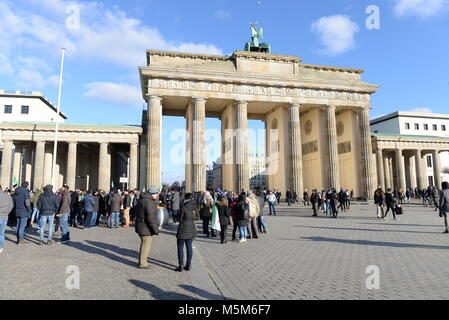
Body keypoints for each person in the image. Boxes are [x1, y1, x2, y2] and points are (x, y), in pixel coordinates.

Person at [135, 186, 160, 269]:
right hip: (146, 227)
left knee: (143, 243)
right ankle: (143, 263)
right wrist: (155, 229)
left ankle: (142, 261)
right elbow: (151, 217)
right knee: (146, 246)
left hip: (140, 225)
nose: (157, 195)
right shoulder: (149, 202)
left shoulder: (141, 199)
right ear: (153, 194)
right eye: (156, 193)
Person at [175, 193, 197, 271]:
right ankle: (188, 265)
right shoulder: (194, 206)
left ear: (185, 198)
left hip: (183, 228)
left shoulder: (183, 207)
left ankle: (181, 265)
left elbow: (180, 219)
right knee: (189, 247)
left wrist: (177, 217)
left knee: (180, 247)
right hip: (191, 228)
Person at [0, 189, 14, 255]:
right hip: (5, 216)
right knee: (2, 233)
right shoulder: (8, 197)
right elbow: (11, 206)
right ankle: (1, 247)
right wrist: (6, 213)